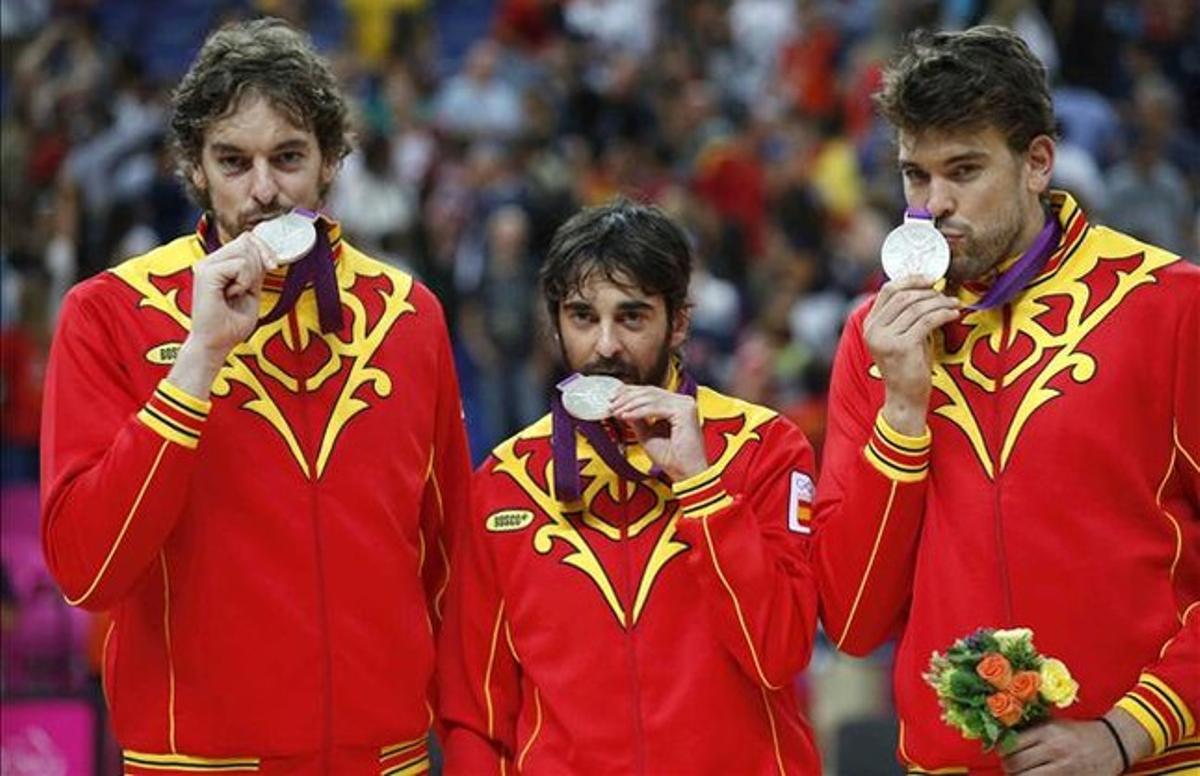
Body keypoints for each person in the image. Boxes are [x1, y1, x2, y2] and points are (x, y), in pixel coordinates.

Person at [39, 19, 471, 775]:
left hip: (387, 761)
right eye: (233, 161)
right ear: (195, 169)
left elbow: (453, 564)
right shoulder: (107, 313)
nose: (264, 191)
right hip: (196, 764)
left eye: (289, 158)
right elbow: (87, 569)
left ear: (332, 161)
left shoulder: (411, 316)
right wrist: (196, 363)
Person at [814, 26, 1199, 775]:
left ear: (1037, 162)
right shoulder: (876, 339)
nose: (934, 206)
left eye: (964, 170)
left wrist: (1125, 733)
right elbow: (856, 621)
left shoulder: (1170, 306)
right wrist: (900, 414)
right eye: (914, 177)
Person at [438, 200, 822, 773]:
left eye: (633, 317)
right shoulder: (504, 482)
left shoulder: (764, 448)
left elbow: (780, 653)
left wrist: (702, 487)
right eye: (583, 317)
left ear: (680, 322)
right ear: (555, 322)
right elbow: (476, 714)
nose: (606, 346)